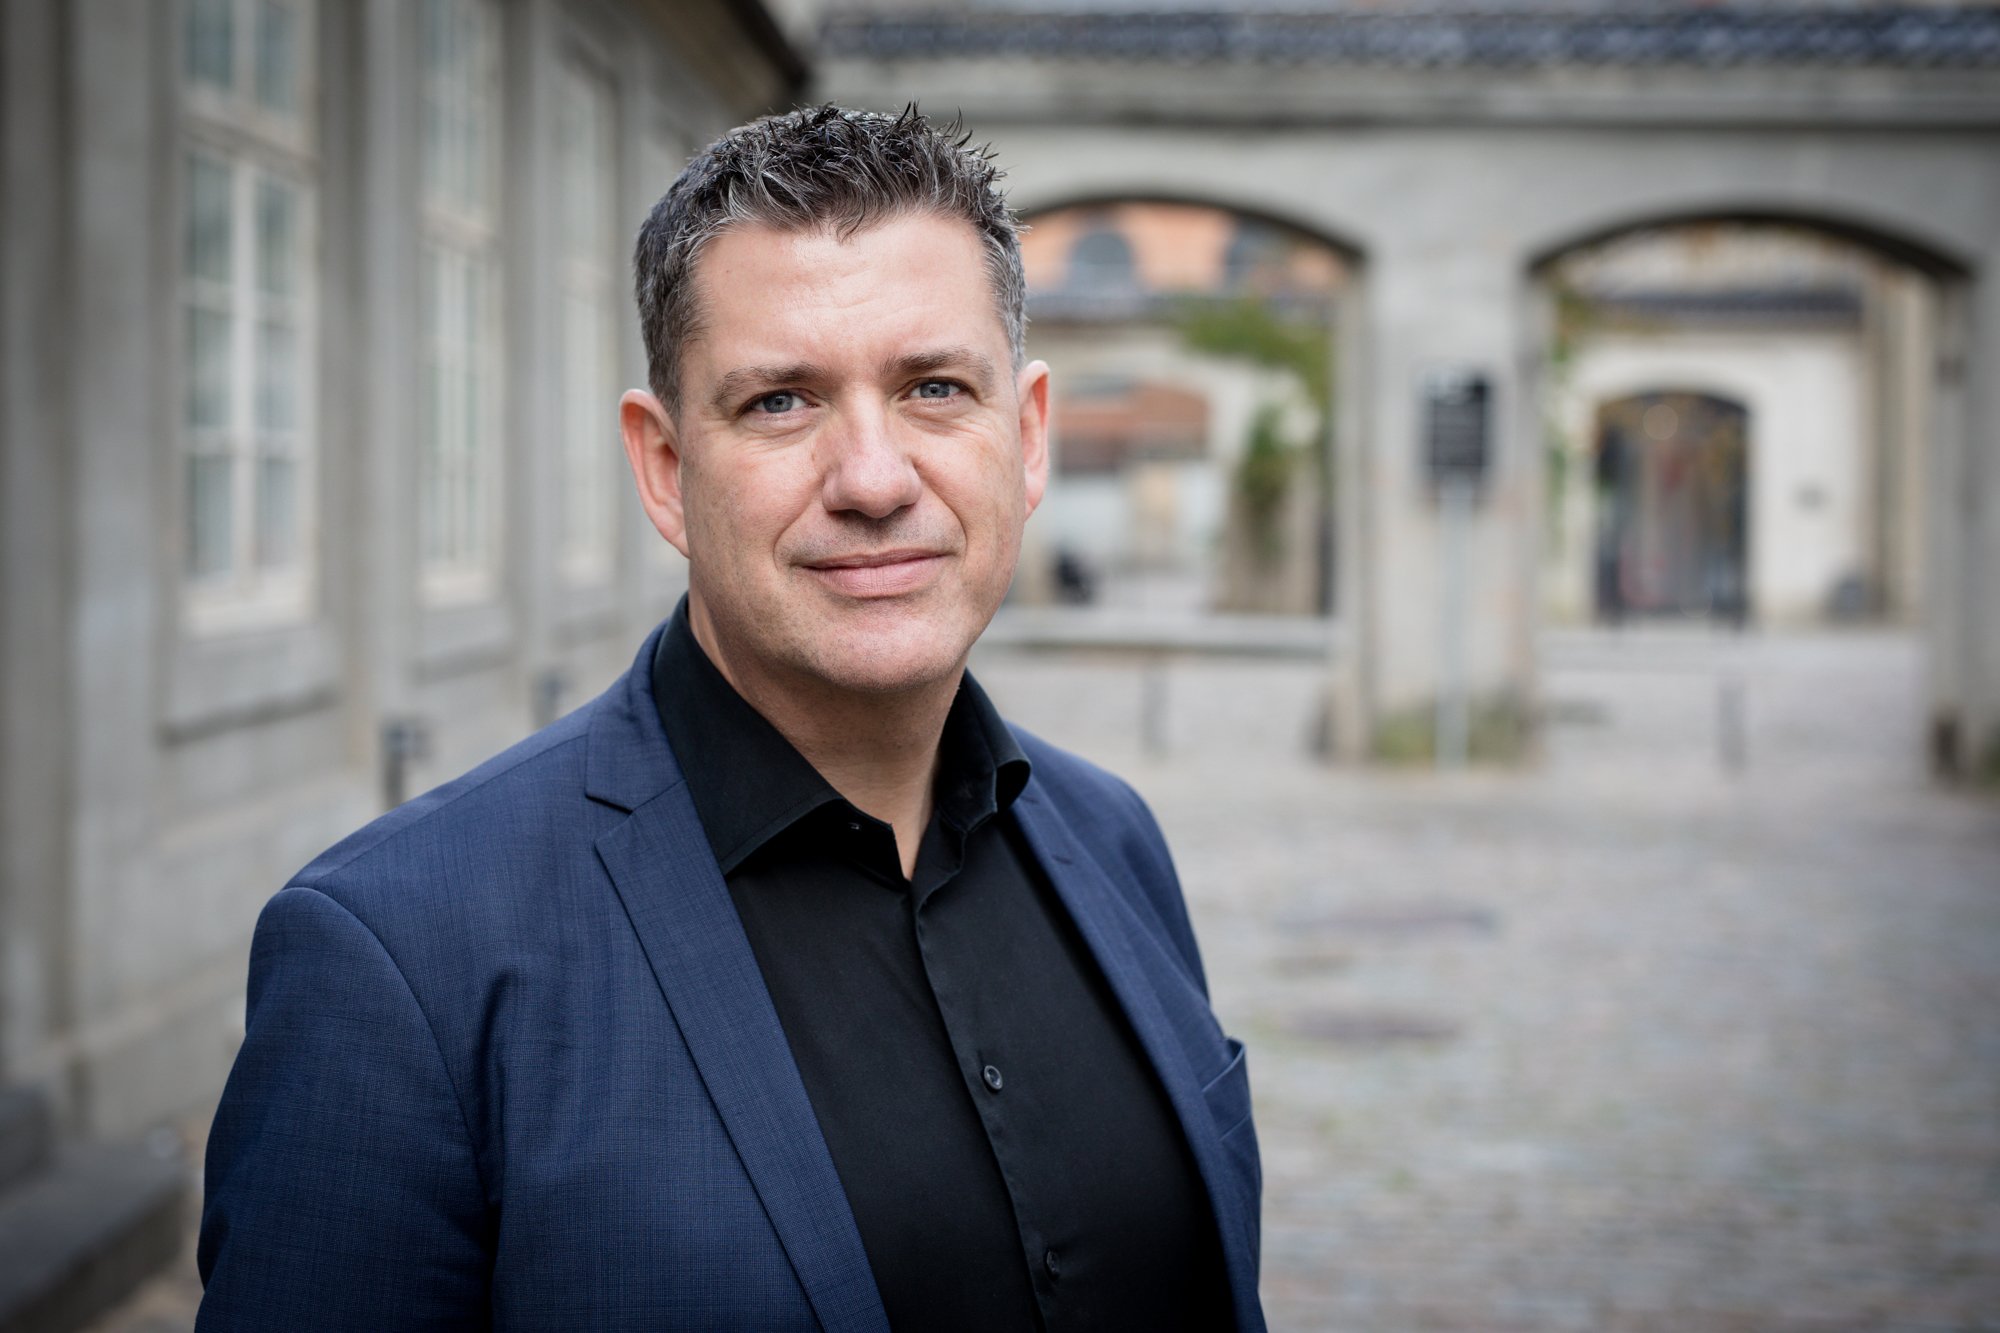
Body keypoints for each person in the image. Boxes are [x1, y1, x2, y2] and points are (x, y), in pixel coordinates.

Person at [195, 105, 1263, 1332]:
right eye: (780, 403)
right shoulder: (403, 961)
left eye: (931, 387)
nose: (871, 479)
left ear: (1022, 439)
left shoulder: (1114, 842)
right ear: (662, 467)